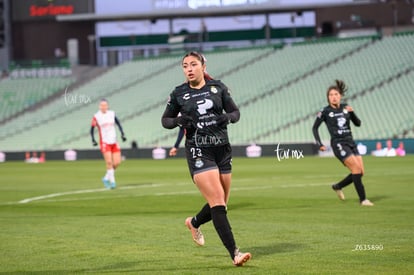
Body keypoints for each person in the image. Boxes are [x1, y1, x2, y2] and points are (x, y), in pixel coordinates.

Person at [161, 51, 251, 266]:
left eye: (193, 64)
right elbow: (165, 120)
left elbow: (236, 113)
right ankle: (235, 254)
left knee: (221, 204)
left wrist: (227, 117)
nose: (189, 69)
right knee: (218, 200)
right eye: (185, 66)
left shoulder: (218, 88)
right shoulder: (178, 93)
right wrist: (179, 120)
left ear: (203, 66)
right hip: (198, 150)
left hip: (222, 150)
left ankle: (193, 223)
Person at [312, 80, 374, 206]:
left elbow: (358, 124)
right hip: (338, 144)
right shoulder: (325, 111)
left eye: (335, 94)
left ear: (340, 96)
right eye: (330, 95)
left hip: (351, 142)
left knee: (360, 172)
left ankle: (338, 186)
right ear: (328, 98)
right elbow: (315, 128)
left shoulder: (346, 108)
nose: (333, 97)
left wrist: (352, 112)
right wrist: (320, 144)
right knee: (356, 169)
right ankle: (363, 200)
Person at [90, 99, 127, 189]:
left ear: (107, 106)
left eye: (105, 105)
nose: (103, 107)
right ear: (99, 106)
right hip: (104, 142)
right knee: (109, 162)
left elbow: (118, 124)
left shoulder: (112, 114)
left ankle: (106, 178)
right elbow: (91, 129)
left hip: (114, 141)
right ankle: (112, 182)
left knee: (117, 162)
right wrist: (93, 139)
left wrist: (122, 133)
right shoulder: (96, 116)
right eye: (102, 105)